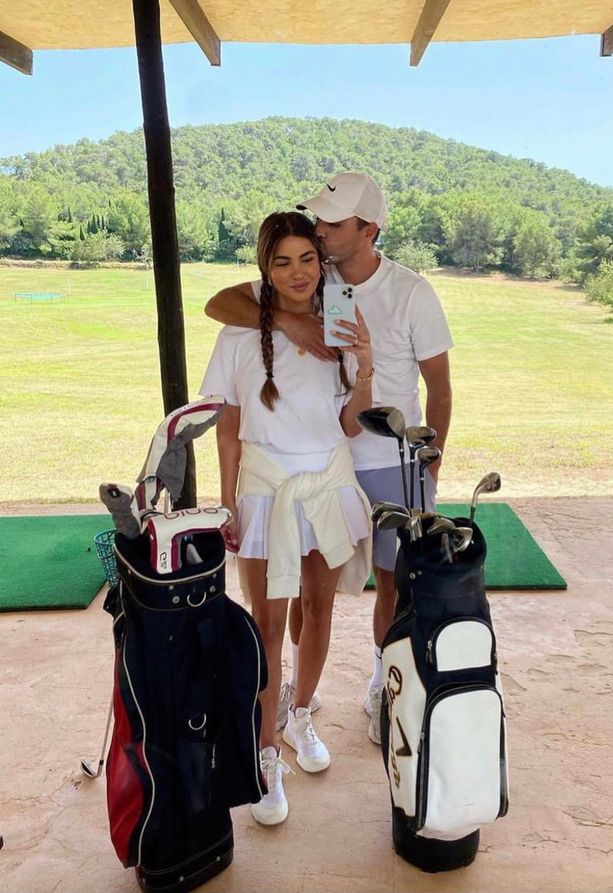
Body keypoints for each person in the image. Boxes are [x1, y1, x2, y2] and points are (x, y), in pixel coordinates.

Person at [205, 173, 453, 745]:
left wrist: (429, 460)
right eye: (316, 225)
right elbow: (222, 303)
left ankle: (378, 685)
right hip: (316, 461)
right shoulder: (317, 284)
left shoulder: (409, 292)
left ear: (368, 230)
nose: (319, 232)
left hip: (383, 458)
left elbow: (437, 386)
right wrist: (288, 320)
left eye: (330, 226)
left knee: (387, 583)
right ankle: (287, 704)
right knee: (290, 601)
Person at [200, 211, 375, 826]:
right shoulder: (238, 334)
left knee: (319, 610)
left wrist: (367, 367)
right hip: (266, 494)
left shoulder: (339, 327)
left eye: (308, 259)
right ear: (264, 269)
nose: (298, 272)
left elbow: (352, 423)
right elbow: (226, 427)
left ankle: (301, 713)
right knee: (267, 626)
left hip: (327, 483)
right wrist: (227, 500)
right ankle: (266, 752)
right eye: (283, 261)